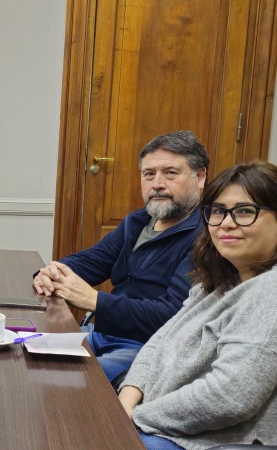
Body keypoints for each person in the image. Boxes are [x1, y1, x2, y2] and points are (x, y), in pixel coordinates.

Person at [119, 161, 277, 450]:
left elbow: (230, 395)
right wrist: (126, 399)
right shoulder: (219, 282)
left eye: (244, 211)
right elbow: (159, 342)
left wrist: (136, 415)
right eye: (218, 211)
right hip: (158, 423)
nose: (226, 223)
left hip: (203, 442)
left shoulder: (270, 291)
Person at [33, 131, 209, 386]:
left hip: (149, 347)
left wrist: (94, 300)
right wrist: (52, 272)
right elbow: (94, 261)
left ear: (200, 176)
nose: (157, 183)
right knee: (25, 354)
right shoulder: (138, 221)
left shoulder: (207, 236)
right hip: (102, 333)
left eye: (170, 173)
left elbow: (173, 315)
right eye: (149, 174)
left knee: (61, 378)